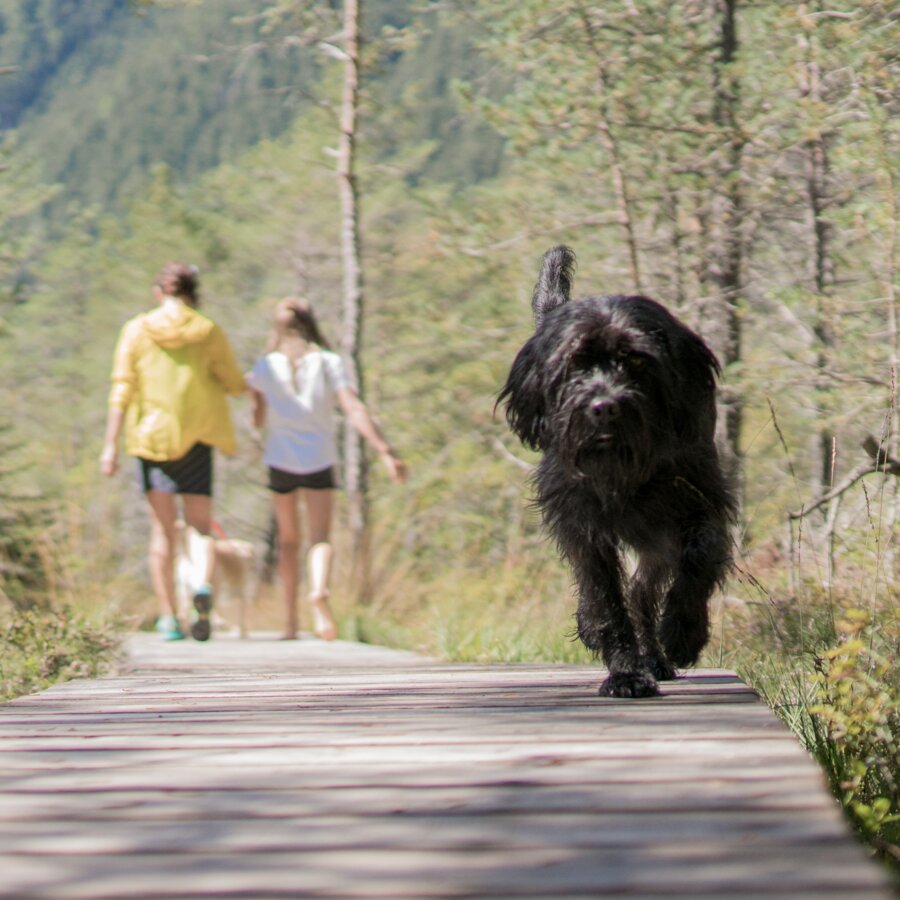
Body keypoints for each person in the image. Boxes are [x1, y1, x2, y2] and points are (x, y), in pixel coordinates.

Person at [100, 262, 246, 641]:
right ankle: (200, 582)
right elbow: (233, 382)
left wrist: (109, 446)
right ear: (193, 293)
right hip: (197, 438)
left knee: (162, 533)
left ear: (158, 292)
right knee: (199, 527)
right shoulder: (207, 330)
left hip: (152, 442)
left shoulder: (136, 329)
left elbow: (122, 388)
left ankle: (168, 617)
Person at [248, 298, 406, 640]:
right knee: (320, 537)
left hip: (280, 461)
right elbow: (353, 408)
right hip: (319, 459)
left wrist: (261, 406)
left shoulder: (265, 366)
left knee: (288, 542)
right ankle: (318, 589)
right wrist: (384, 449)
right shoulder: (328, 362)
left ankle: (290, 624)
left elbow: (257, 420)